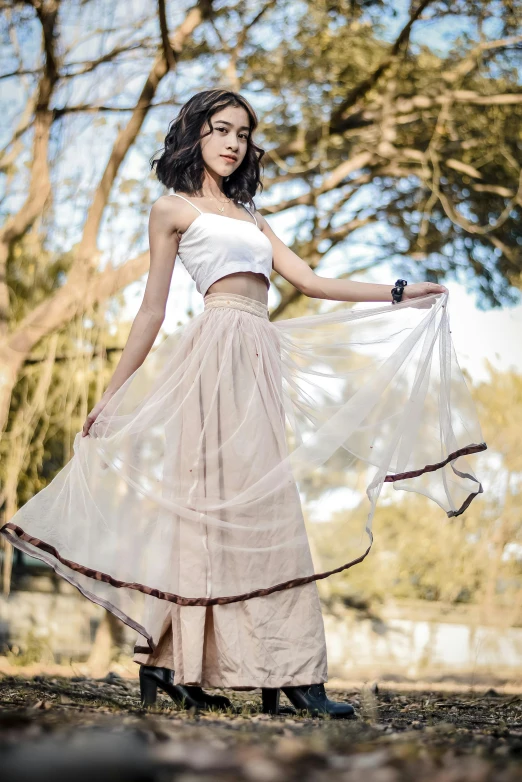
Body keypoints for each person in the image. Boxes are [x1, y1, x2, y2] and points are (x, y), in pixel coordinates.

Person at [0, 89, 486, 718]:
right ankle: (199, 665)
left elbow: (309, 281)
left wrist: (398, 291)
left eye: (243, 133)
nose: (234, 142)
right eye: (221, 129)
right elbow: (151, 309)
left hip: (259, 353)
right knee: (208, 508)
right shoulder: (170, 210)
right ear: (195, 135)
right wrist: (112, 394)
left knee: (265, 505)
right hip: (214, 352)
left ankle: (263, 666)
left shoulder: (254, 218)